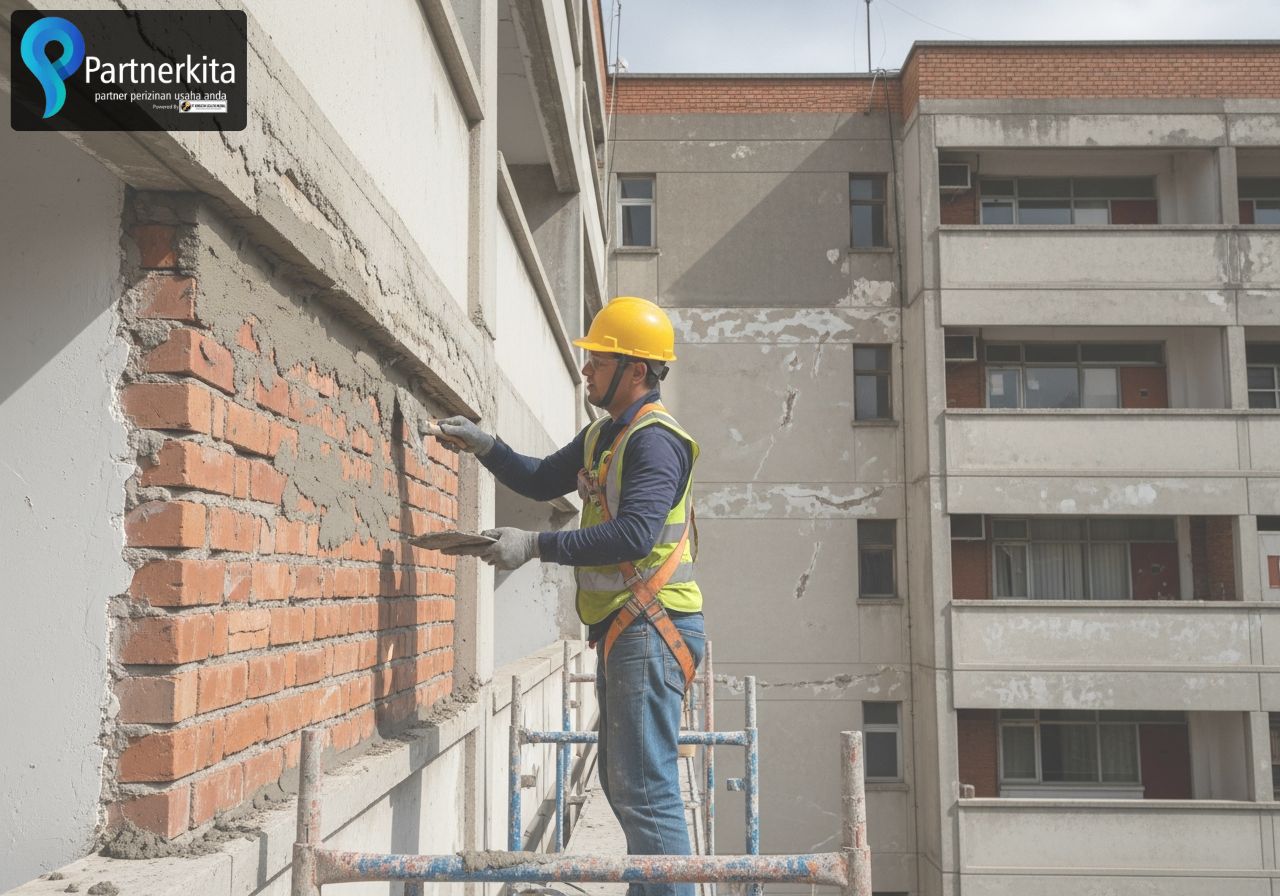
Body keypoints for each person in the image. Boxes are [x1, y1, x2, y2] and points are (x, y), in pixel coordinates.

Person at [431, 296, 704, 896]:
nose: (585, 370)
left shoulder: (656, 440)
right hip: (628, 629)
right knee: (623, 780)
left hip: (652, 627)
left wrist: (534, 546)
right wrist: (485, 445)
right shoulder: (606, 435)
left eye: (598, 361)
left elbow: (634, 533)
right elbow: (536, 477)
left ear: (638, 370)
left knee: (647, 789)